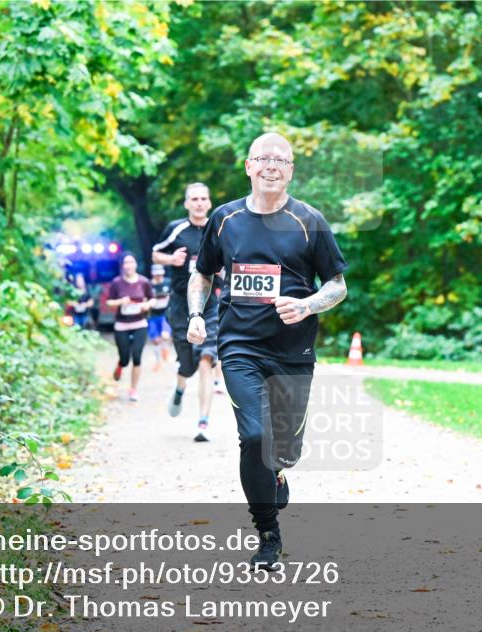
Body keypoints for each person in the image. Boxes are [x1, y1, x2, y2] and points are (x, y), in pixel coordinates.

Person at [187, 132, 348, 570]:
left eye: (281, 160)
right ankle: (267, 533)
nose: (272, 166)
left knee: (286, 448)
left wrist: (307, 304)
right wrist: (196, 315)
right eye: (264, 158)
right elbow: (202, 275)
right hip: (239, 346)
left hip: (293, 353)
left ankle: (279, 467)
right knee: (255, 437)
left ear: (291, 170)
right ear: (249, 166)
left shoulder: (309, 221)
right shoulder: (225, 219)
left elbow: (337, 285)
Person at [151, 183, 222, 442]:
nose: (200, 203)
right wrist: (171, 260)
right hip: (181, 305)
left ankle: (203, 423)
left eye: (204, 198)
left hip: (210, 304)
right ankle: (180, 388)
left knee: (206, 358)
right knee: (189, 364)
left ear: (210, 202)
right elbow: (156, 253)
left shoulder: (219, 228)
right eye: (194, 199)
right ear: (187, 204)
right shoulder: (176, 229)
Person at [106, 253, 154, 402]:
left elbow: (153, 300)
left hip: (140, 323)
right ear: (122, 266)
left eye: (131, 262)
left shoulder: (144, 282)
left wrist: (146, 305)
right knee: (125, 358)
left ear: (135, 265)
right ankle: (120, 365)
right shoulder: (116, 283)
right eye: (125, 263)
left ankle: (133, 390)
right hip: (122, 325)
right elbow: (108, 302)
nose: (128, 265)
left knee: (137, 358)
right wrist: (121, 301)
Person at [147, 264, 173, 371]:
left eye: (160, 273)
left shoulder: (168, 282)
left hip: (165, 315)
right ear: (153, 274)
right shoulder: (148, 285)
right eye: (156, 274)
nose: (158, 276)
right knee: (156, 340)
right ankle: (158, 362)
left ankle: (166, 348)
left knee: (165, 335)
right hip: (152, 316)